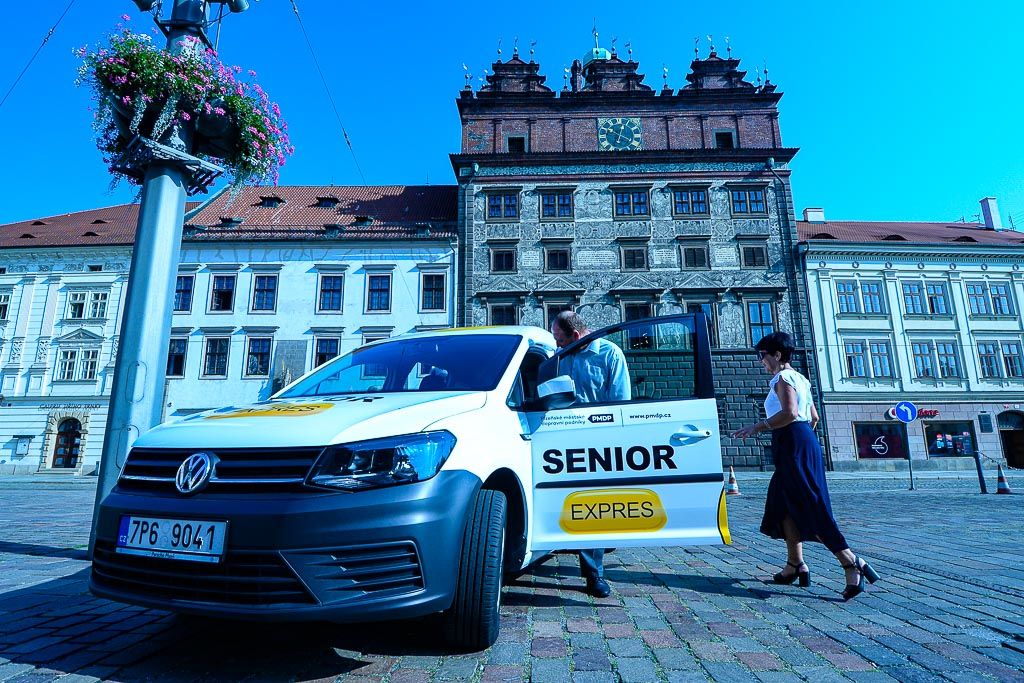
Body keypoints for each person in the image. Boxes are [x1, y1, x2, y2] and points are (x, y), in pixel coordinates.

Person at [731, 331, 880, 601]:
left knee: (810, 504)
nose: (760, 361)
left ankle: (851, 562)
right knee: (782, 503)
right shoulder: (801, 379)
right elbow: (814, 417)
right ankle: (794, 564)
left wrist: (758, 427)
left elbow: (788, 413)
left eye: (762, 355)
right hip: (801, 440)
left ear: (777, 355)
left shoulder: (782, 378)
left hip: (792, 441)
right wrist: (802, 436)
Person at [549, 310, 630, 598]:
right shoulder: (561, 357)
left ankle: (593, 573)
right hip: (560, 438)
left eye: (560, 339)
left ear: (575, 335)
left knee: (590, 505)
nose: (557, 345)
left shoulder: (610, 355)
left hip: (597, 440)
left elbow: (620, 403)